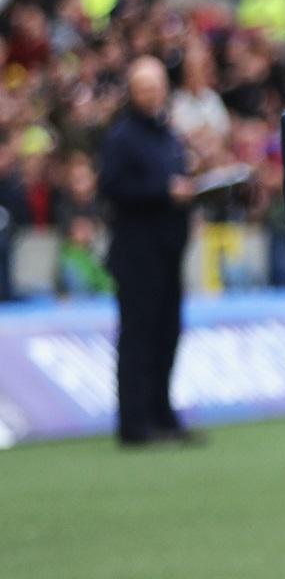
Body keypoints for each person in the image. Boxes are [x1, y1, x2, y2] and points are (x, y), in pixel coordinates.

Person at [98, 56, 198, 446]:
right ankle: (135, 423)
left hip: (168, 250)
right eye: (143, 88)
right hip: (137, 253)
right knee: (139, 336)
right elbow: (111, 188)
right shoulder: (123, 136)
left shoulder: (167, 134)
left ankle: (162, 414)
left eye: (156, 87)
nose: (151, 95)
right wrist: (162, 192)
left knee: (166, 333)